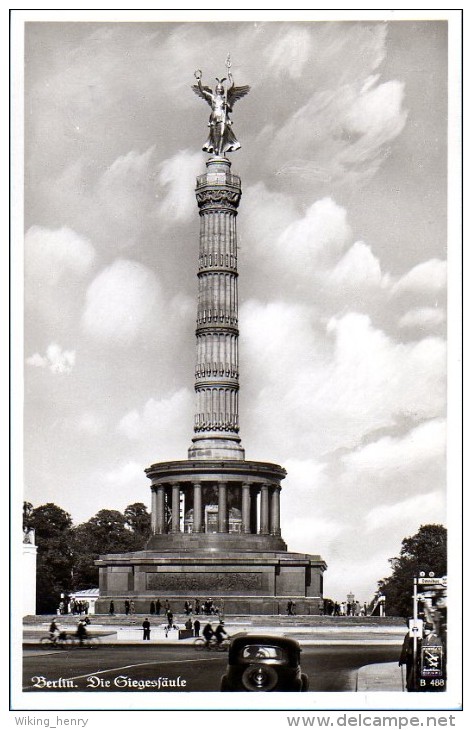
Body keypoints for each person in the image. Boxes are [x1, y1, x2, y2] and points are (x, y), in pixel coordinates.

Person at [192, 55, 250, 156]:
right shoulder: (213, 97)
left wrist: (229, 74)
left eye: (221, 88)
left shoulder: (226, 98)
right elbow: (202, 91)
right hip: (214, 118)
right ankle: (216, 154)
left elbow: (232, 86)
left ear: (223, 90)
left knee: (223, 133)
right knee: (214, 136)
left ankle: (220, 151)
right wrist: (198, 80)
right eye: (218, 88)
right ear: (216, 89)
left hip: (223, 118)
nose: (220, 89)